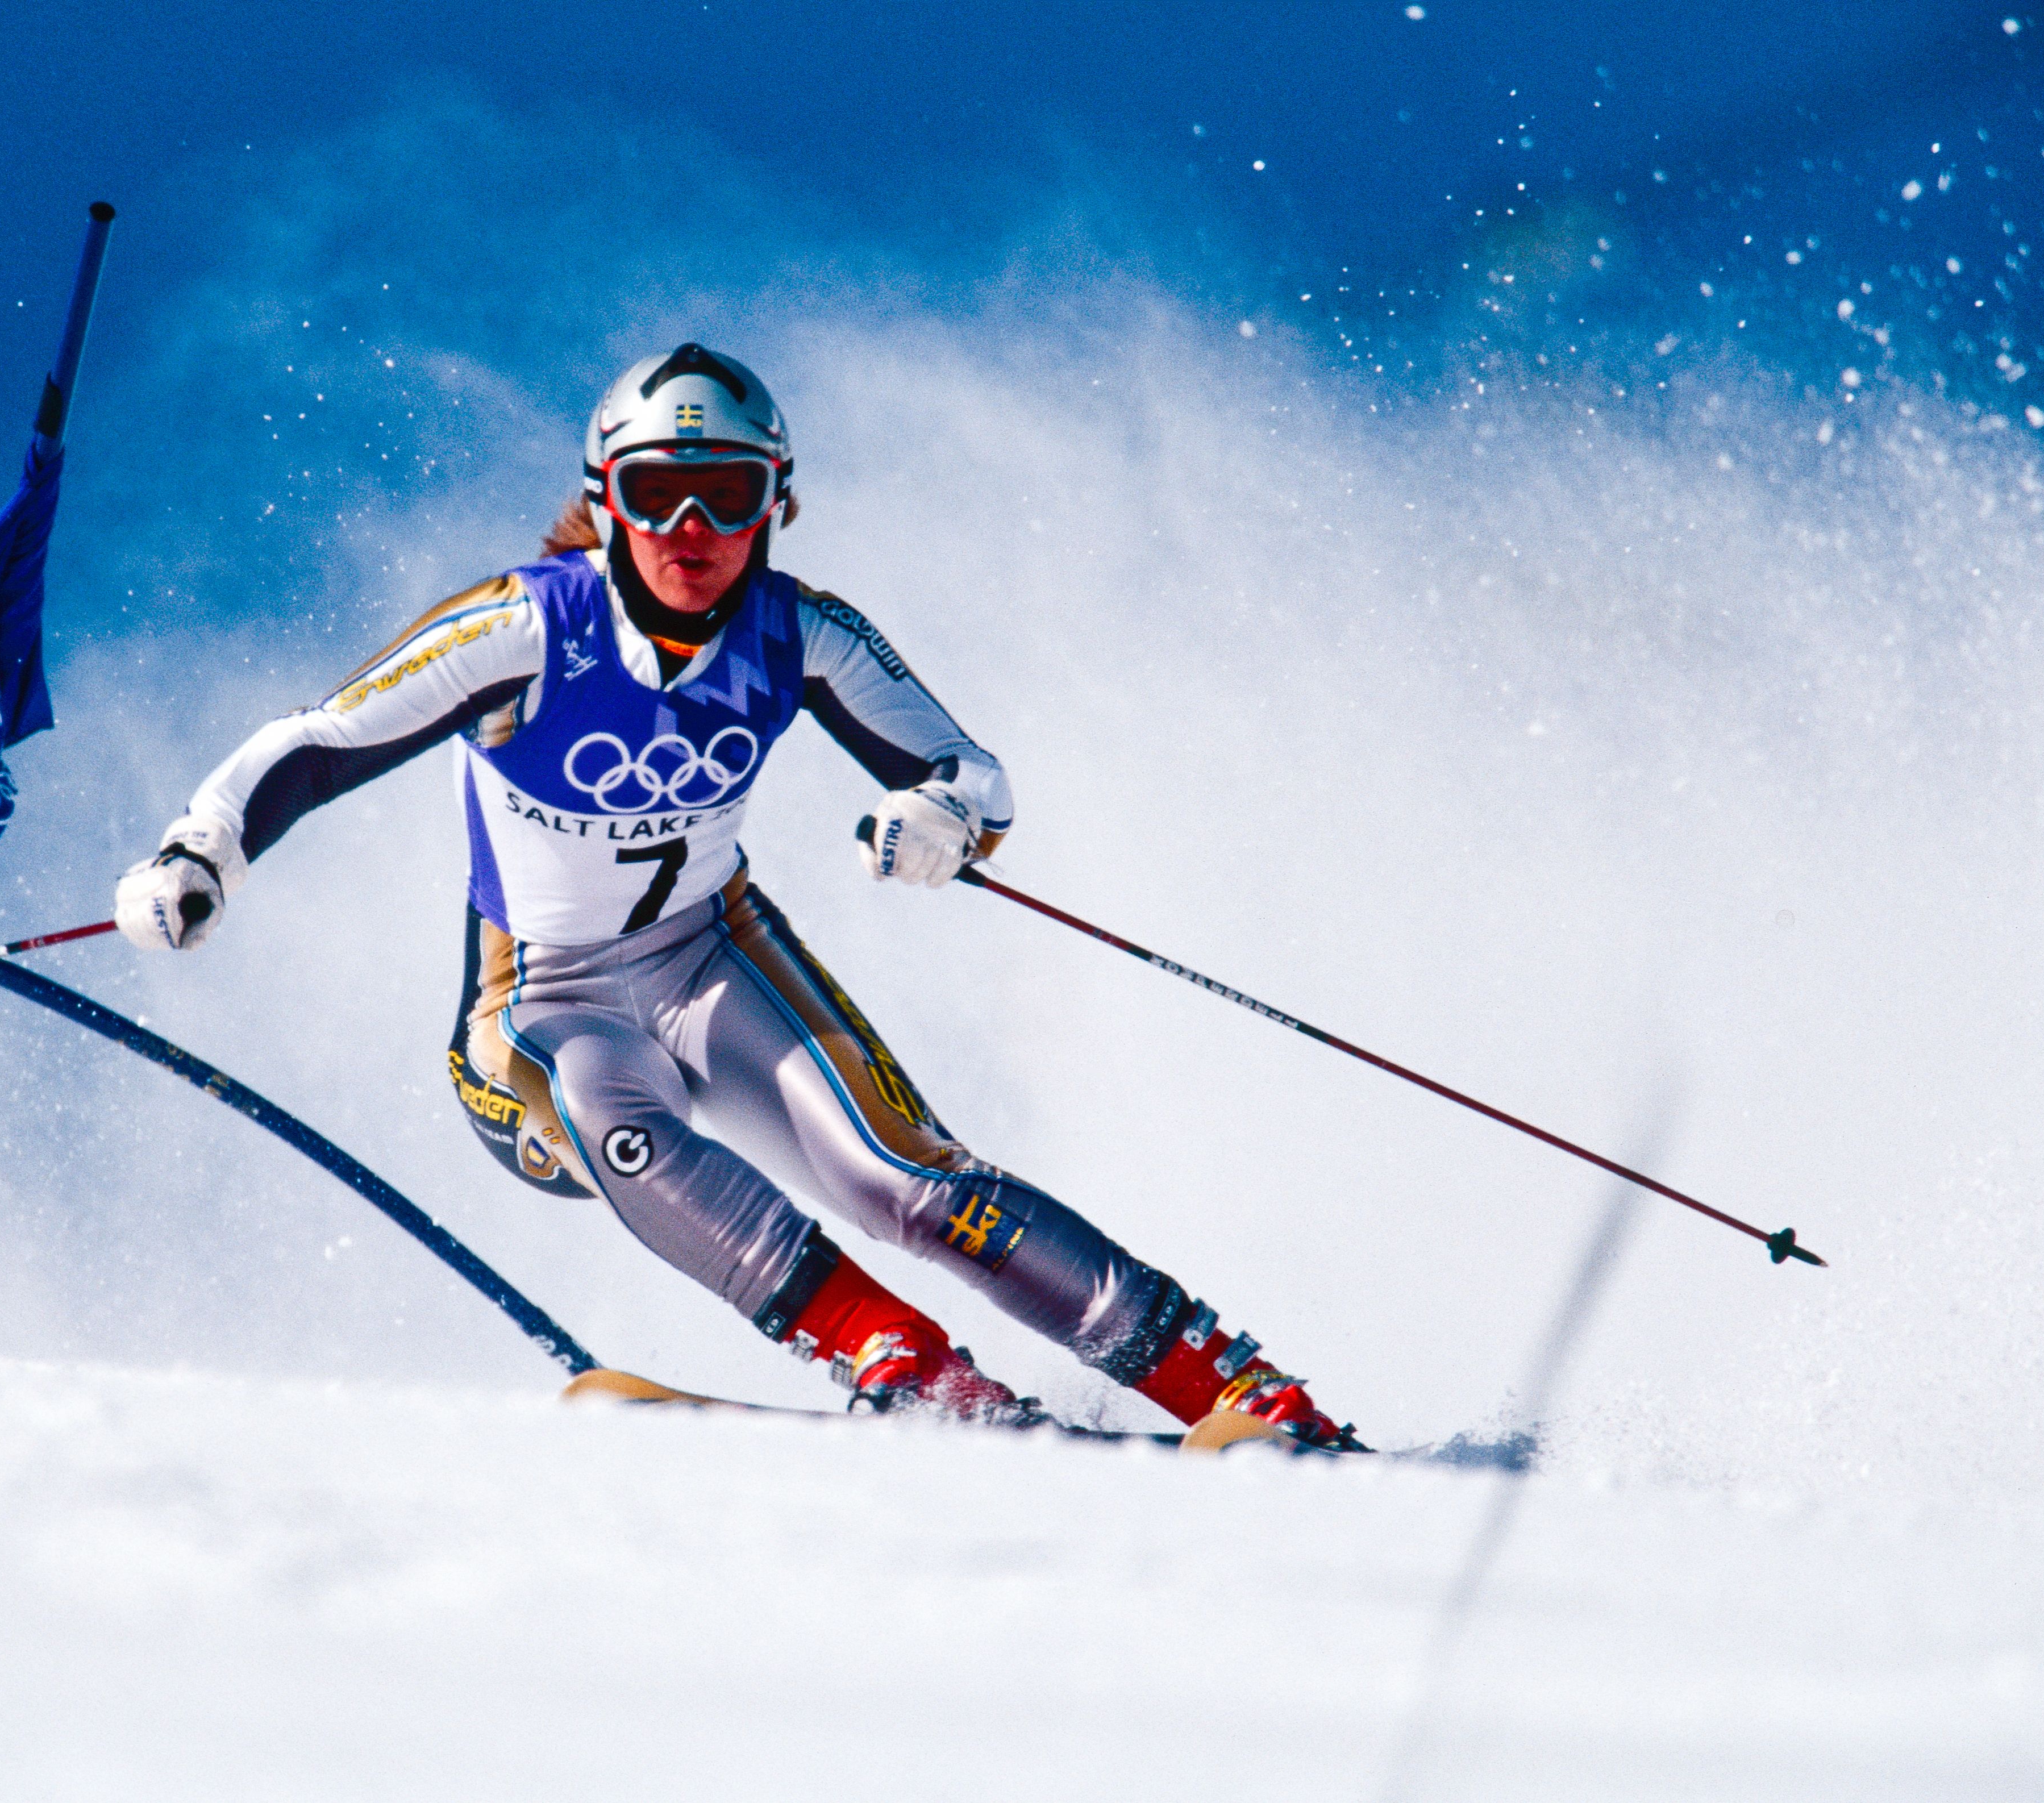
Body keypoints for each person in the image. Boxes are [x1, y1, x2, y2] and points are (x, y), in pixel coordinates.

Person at [115, 342, 1358, 1446]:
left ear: (776, 503)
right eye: (657, 491)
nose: (692, 525)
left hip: (714, 955)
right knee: (618, 1119)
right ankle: (907, 1364)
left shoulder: (797, 633)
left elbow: (970, 773)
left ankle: (1239, 1393)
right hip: (538, 1003)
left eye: (731, 493)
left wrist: (943, 817)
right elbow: (321, 739)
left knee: (900, 1178)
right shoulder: (526, 628)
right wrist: (200, 852)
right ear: (607, 499)